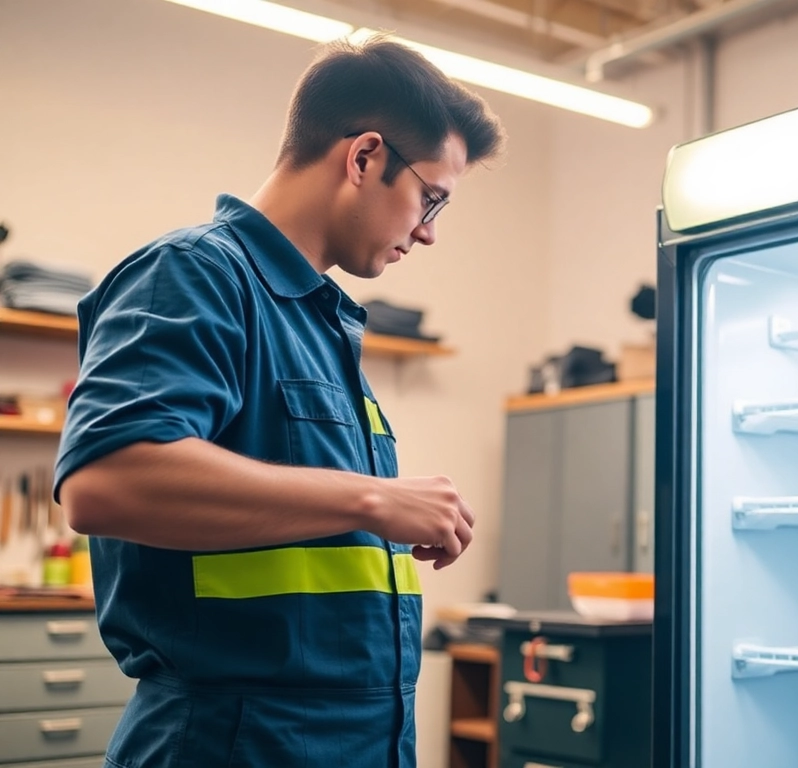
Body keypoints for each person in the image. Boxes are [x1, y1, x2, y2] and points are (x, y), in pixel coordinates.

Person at [53, 33, 505, 768]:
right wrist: (371, 499)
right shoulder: (197, 275)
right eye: (431, 199)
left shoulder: (320, 321)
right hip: (234, 745)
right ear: (363, 157)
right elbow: (106, 482)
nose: (427, 232)